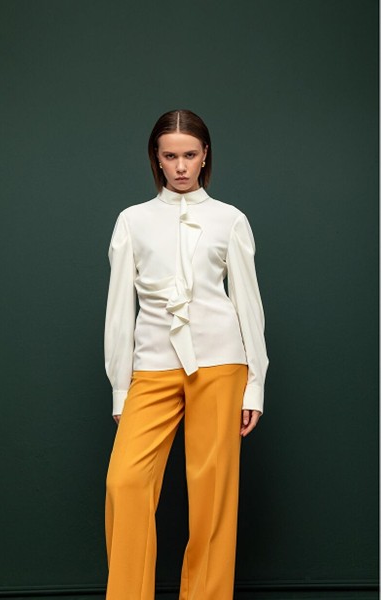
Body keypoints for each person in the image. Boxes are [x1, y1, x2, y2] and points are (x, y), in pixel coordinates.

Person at [103, 109, 269, 600]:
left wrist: (255, 383)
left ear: (205, 156)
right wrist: (120, 388)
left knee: (213, 496)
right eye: (170, 156)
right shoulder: (132, 220)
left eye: (190, 155)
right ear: (156, 159)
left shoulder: (230, 219)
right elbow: (119, 310)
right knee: (125, 482)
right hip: (152, 366)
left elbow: (248, 303)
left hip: (220, 363)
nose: (180, 166)